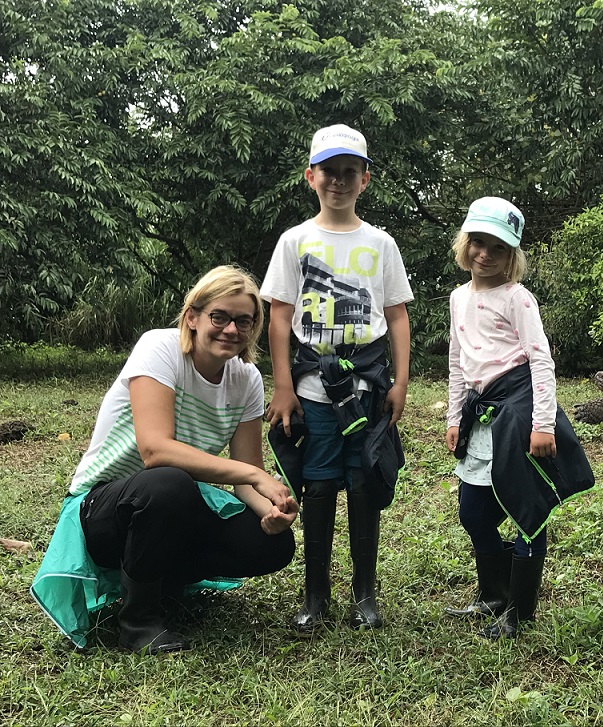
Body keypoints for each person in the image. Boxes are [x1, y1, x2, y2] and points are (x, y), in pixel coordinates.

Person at [30, 265, 299, 655]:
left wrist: (271, 512)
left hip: (171, 504)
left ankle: (166, 584)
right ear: (192, 316)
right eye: (219, 317)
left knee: (272, 545)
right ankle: (138, 622)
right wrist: (254, 474)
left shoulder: (247, 379)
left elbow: (245, 482)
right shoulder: (160, 348)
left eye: (244, 321)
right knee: (169, 482)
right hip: (103, 509)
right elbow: (154, 450)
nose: (230, 330)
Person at [261, 123, 412, 633]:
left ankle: (365, 595)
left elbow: (396, 316)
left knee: (364, 483)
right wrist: (282, 384)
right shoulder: (295, 240)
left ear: (365, 179)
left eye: (350, 172)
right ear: (311, 176)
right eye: (329, 171)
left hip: (368, 384)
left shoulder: (381, 243)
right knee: (319, 485)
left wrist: (401, 382)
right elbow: (280, 316)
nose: (339, 181)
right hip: (312, 386)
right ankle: (315, 595)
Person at [444, 197, 594, 639]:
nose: (485, 254)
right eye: (477, 243)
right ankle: (494, 592)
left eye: (497, 247)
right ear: (465, 244)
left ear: (512, 255)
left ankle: (519, 613)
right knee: (474, 513)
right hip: (482, 411)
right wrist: (454, 417)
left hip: (521, 408)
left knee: (529, 510)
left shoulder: (517, 298)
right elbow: (458, 362)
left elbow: (540, 361)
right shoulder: (457, 298)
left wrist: (543, 424)